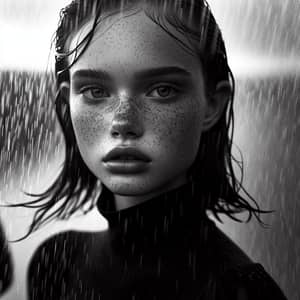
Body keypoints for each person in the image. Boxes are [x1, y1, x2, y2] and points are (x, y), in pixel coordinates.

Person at [24, 0, 287, 299]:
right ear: (67, 101)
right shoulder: (58, 261)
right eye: (96, 91)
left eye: (162, 90)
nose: (123, 123)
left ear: (212, 104)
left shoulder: (239, 292)